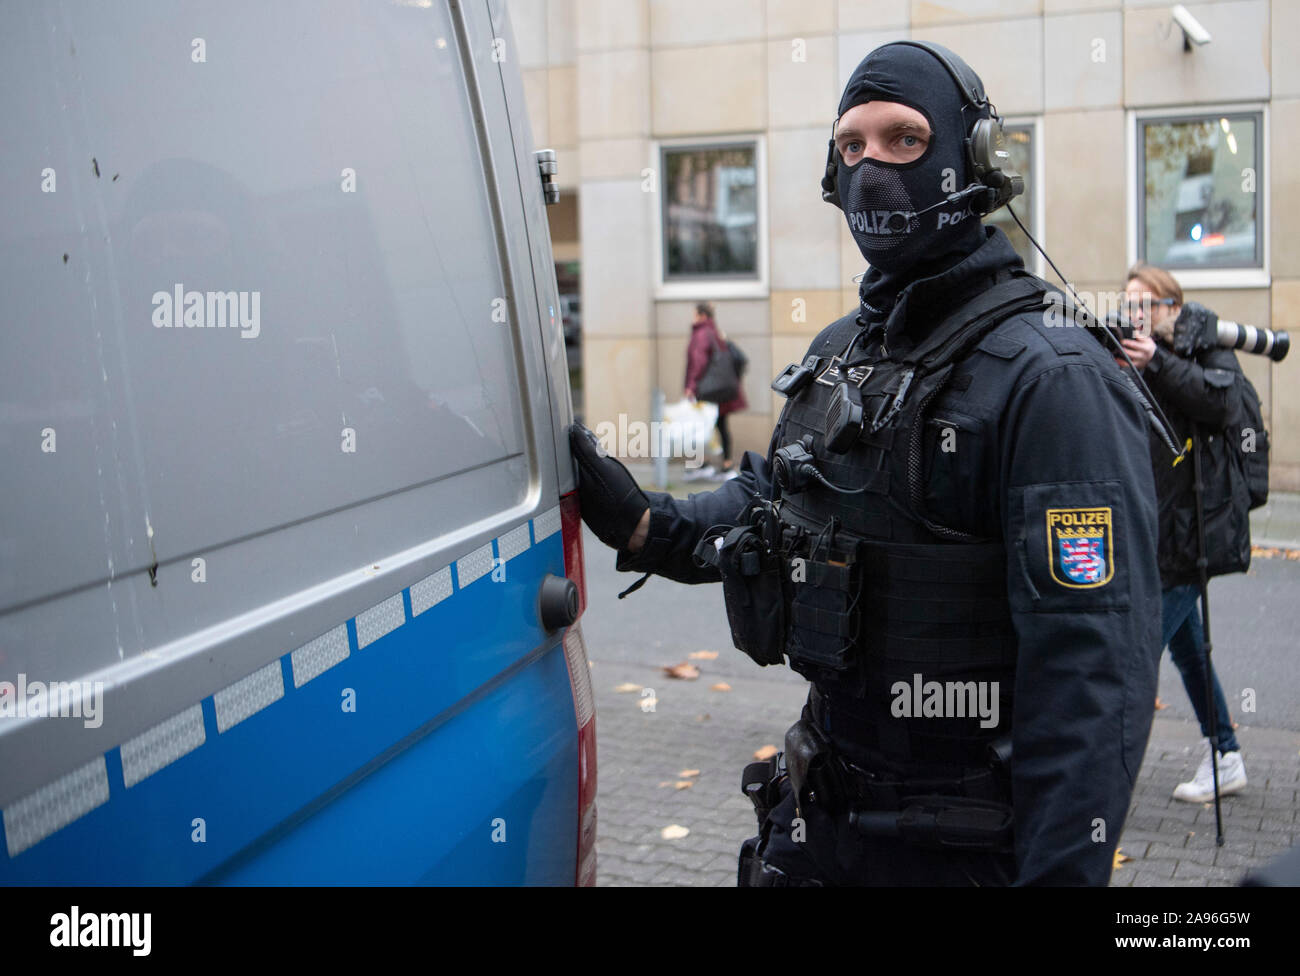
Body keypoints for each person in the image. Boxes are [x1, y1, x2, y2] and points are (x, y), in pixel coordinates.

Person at [570, 41, 1160, 885]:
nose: (872, 165)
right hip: (824, 819)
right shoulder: (842, 350)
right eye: (852, 146)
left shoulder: (1052, 376)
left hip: (965, 848)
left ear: (974, 160)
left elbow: (1094, 683)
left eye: (904, 140)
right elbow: (780, 504)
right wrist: (647, 524)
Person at [1118, 263, 1248, 802]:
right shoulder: (1128, 352)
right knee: (1188, 650)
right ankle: (1226, 754)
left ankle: (1099, 776)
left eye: (1144, 304)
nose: (1134, 314)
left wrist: (1160, 362)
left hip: (1194, 531)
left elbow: (1222, 402)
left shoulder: (1203, 344)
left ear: (1171, 307)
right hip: (1153, 528)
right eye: (1128, 304)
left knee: (1134, 650)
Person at [683, 302, 747, 481]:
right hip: (721, 390)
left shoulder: (702, 333)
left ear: (702, 315)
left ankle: (705, 465)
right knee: (719, 425)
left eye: (695, 314)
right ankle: (724, 465)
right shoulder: (716, 332)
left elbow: (699, 361)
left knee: (700, 425)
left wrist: (691, 386)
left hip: (708, 392)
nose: (693, 318)